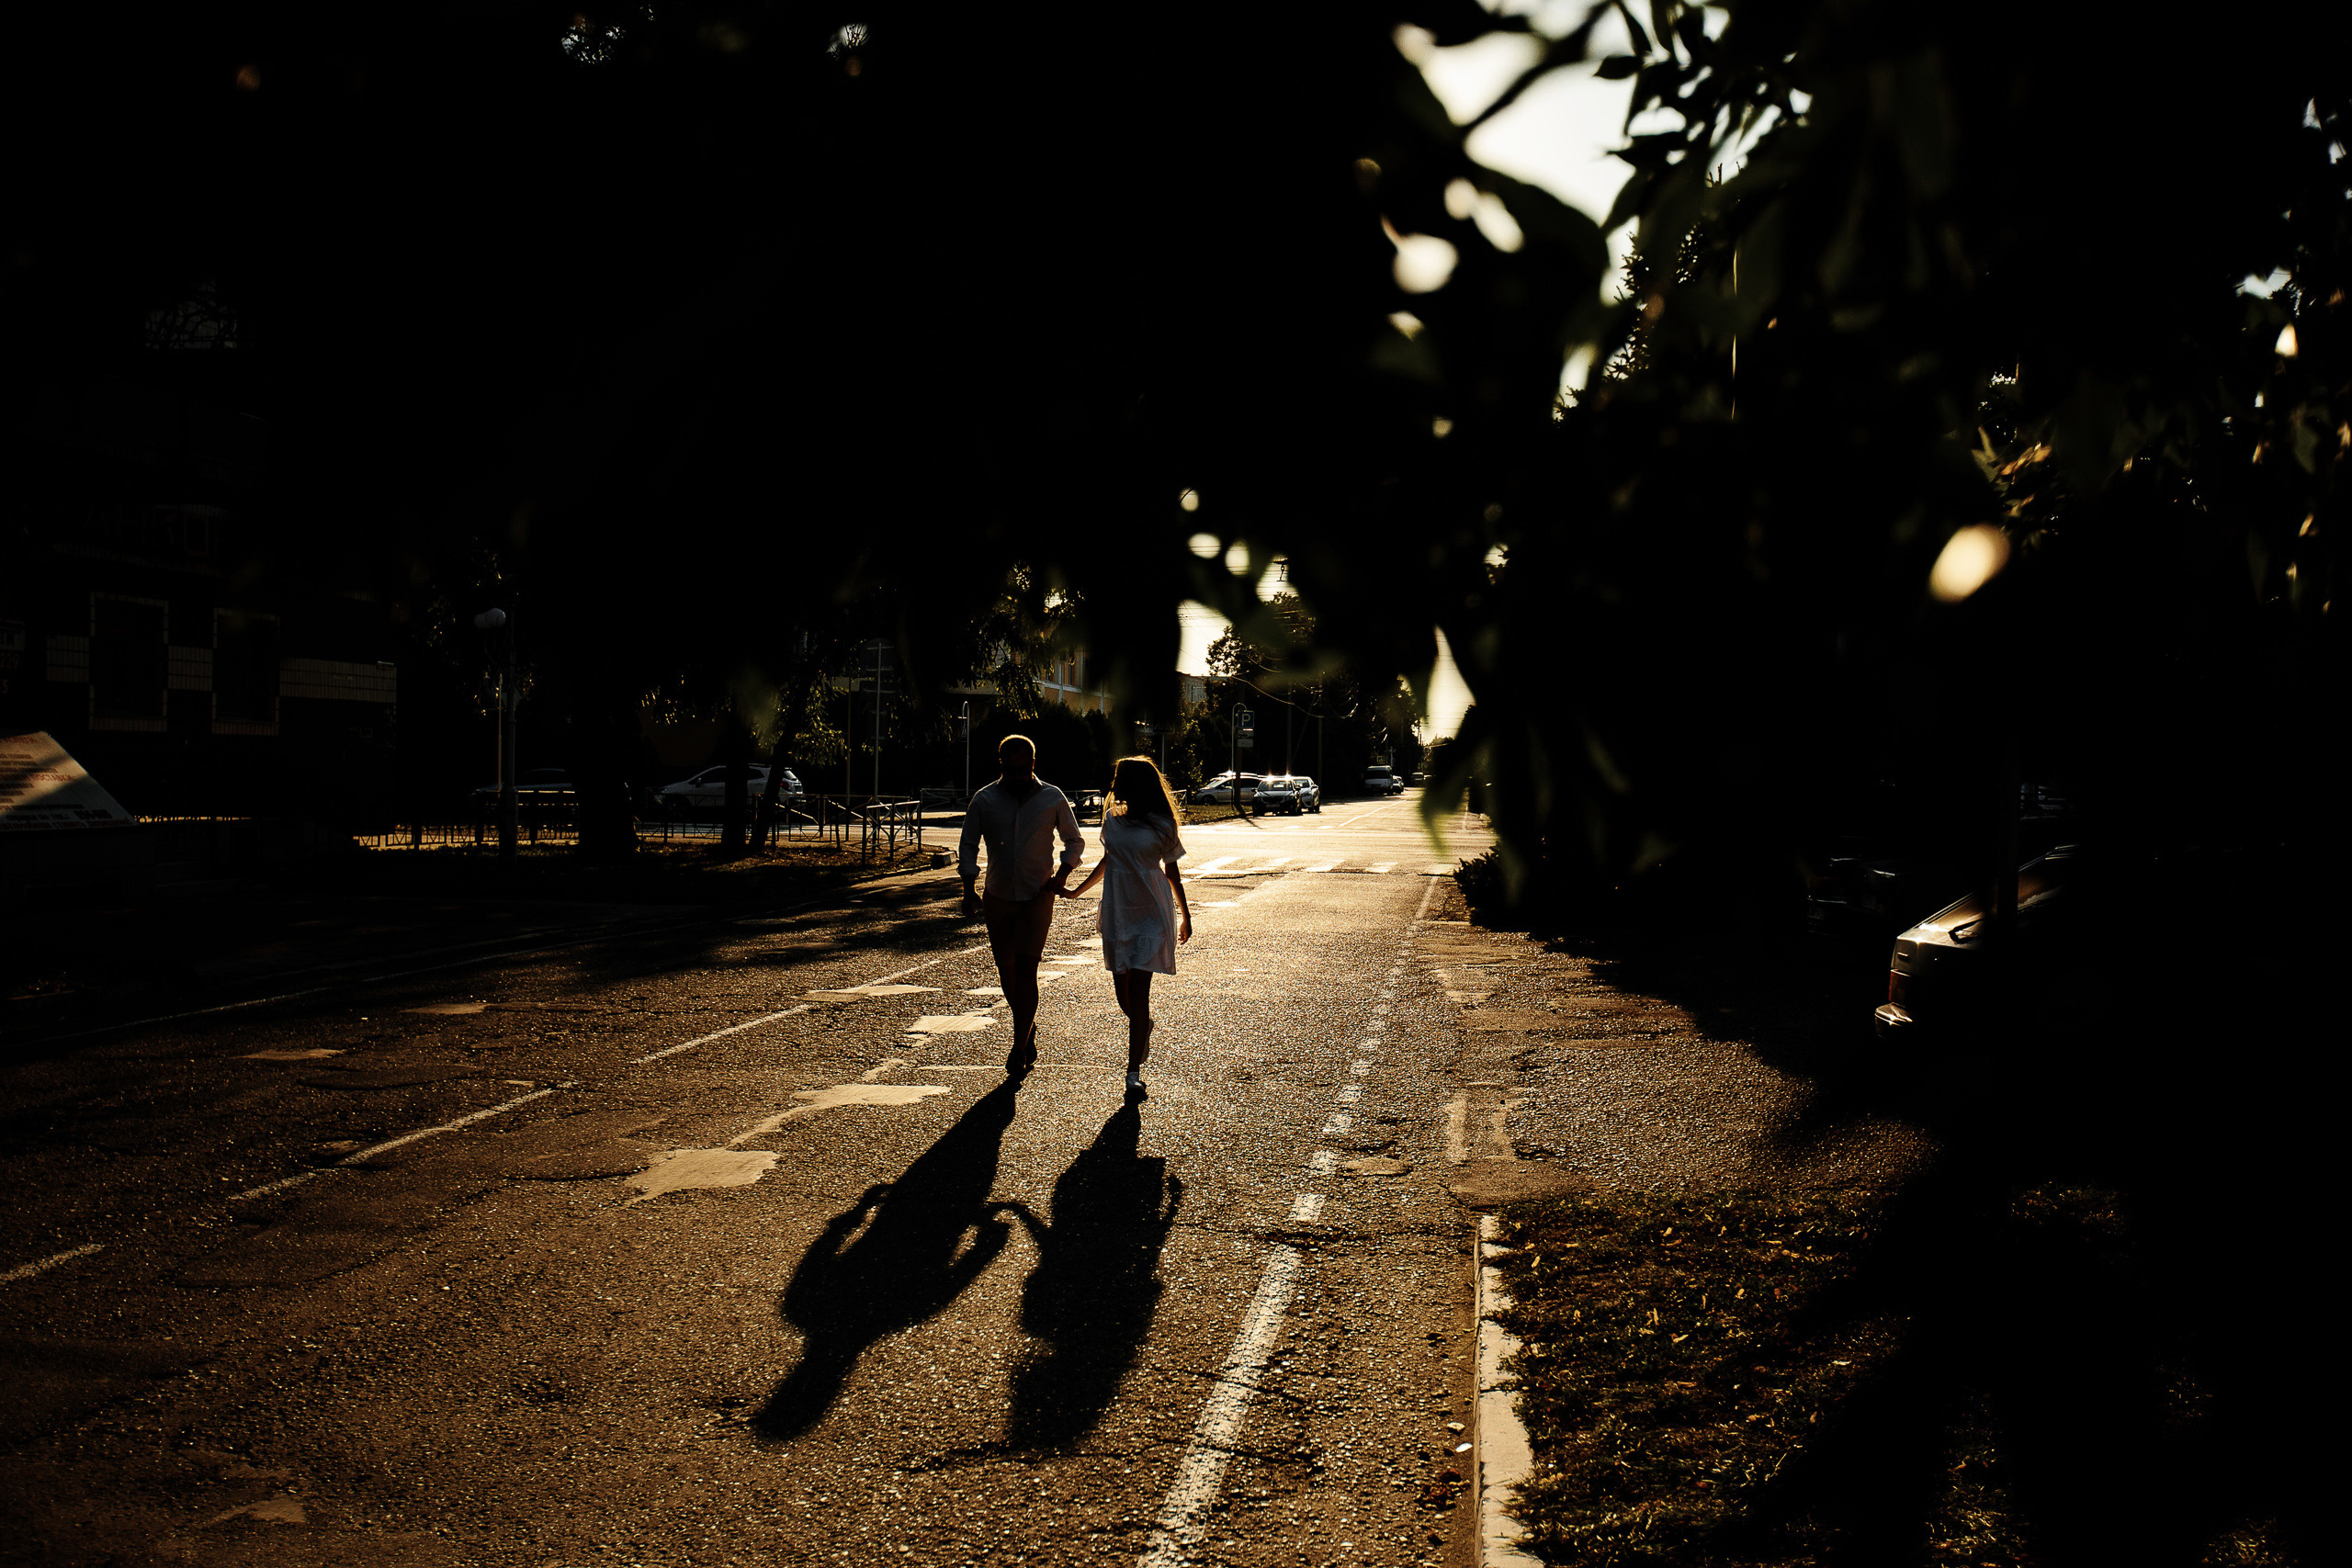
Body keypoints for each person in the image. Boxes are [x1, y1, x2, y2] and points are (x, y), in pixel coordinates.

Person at [1057, 755, 1192, 1095]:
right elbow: (1108, 860)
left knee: (1139, 992)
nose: (1114, 784)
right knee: (1123, 996)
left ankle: (1132, 1072)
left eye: (1119, 778)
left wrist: (1186, 914)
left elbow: (1172, 870)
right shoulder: (1112, 821)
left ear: (1135, 784)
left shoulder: (1162, 824)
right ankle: (1143, 1026)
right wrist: (1076, 891)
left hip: (1152, 910)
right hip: (1119, 909)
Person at [959, 734, 1084, 1077]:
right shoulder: (984, 799)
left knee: (1027, 970)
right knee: (1007, 971)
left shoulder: (1052, 797)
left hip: (1037, 896)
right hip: (997, 897)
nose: (1015, 777)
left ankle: (1017, 1048)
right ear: (1001, 765)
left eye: (1022, 770)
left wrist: (1062, 873)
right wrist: (968, 888)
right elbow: (968, 845)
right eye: (1009, 771)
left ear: (1033, 764)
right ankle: (1027, 1026)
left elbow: (1074, 839)